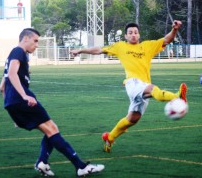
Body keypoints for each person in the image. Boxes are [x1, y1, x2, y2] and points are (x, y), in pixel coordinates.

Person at [0, 28, 104, 176]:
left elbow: (2, 87)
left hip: (12, 103)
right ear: (25, 39)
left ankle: (42, 162)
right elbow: (11, 74)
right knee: (52, 129)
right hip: (22, 99)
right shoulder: (18, 51)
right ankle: (81, 167)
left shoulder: (14, 56)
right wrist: (24, 95)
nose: (37, 45)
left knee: (51, 129)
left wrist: (14, 113)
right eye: (35, 41)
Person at [70, 21, 187, 153]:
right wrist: (80, 50)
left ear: (139, 35)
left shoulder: (147, 46)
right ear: (125, 36)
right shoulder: (120, 46)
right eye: (130, 33)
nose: (133, 35)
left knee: (132, 119)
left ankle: (110, 137)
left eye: (135, 33)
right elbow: (99, 50)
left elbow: (167, 39)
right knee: (153, 89)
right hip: (132, 83)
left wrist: (175, 29)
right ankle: (177, 96)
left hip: (143, 84)